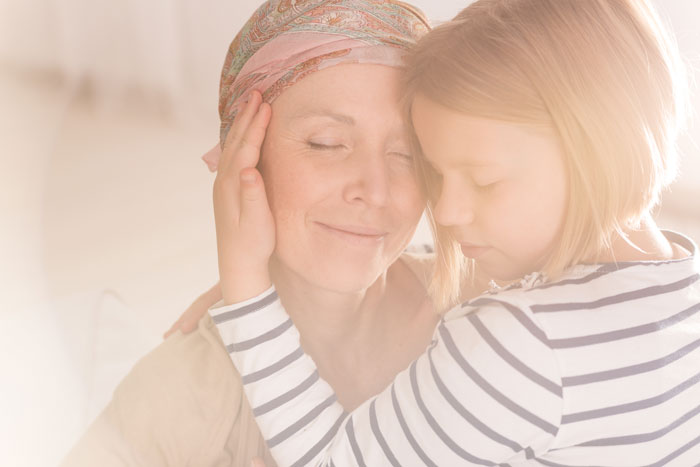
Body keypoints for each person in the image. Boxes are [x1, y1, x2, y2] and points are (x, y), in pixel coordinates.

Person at [209, 0, 700, 465]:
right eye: (437, 174)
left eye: (484, 180)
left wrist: (248, 286)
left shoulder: (517, 344)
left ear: (598, 153)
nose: (444, 211)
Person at [60, 2, 443, 466]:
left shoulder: (484, 312)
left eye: (406, 153)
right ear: (245, 155)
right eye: (326, 143)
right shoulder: (183, 396)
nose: (374, 190)